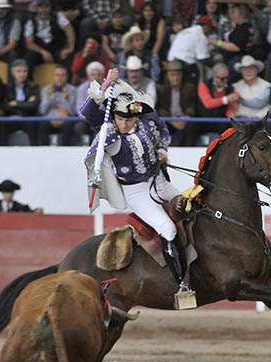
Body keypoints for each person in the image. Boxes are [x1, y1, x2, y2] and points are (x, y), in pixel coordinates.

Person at [80, 67, 193, 298]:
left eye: (129, 119)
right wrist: (104, 86)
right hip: (136, 191)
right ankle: (181, 284)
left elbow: (163, 129)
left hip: (159, 181)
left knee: (192, 208)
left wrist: (162, 150)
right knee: (167, 228)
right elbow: (87, 111)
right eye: (120, 119)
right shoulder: (108, 128)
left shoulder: (147, 118)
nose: (124, 124)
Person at [24, 0, 76, 76]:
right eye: (41, 8)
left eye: (46, 7)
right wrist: (43, 52)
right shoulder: (31, 20)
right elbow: (29, 43)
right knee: (29, 57)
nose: (44, 10)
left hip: (56, 48)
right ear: (37, 9)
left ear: (50, 8)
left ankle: (67, 82)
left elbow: (69, 30)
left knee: (67, 56)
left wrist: (70, 47)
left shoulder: (58, 16)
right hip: (40, 51)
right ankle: (29, 84)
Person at [208, 3, 255, 82]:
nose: (231, 15)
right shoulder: (239, 26)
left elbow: (236, 47)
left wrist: (217, 43)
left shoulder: (243, 29)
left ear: (242, 15)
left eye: (234, 12)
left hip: (235, 60)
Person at [156, 60, 197, 146]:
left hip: (185, 119)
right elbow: (160, 108)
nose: (175, 78)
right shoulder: (161, 90)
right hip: (169, 119)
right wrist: (171, 120)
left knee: (192, 126)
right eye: (172, 75)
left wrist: (187, 116)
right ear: (167, 76)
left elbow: (192, 105)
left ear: (182, 75)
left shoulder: (190, 88)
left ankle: (189, 151)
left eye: (178, 75)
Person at [167, 16, 215, 85]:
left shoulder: (187, 30)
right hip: (183, 65)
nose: (211, 32)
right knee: (196, 75)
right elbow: (203, 59)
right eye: (211, 28)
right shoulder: (200, 35)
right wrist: (216, 65)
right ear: (207, 26)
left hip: (171, 63)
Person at [3, 58, 40, 145]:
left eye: (24, 71)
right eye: (18, 71)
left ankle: (37, 153)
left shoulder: (34, 87)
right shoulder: (7, 87)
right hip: (11, 118)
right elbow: (5, 106)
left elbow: (33, 106)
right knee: (1, 125)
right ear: (13, 73)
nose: (22, 74)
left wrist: (16, 103)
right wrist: (25, 105)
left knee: (34, 124)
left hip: (28, 118)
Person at [38, 64, 77, 145]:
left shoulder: (73, 90)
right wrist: (49, 98)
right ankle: (43, 150)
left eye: (63, 75)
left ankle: (66, 151)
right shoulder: (46, 89)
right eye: (57, 75)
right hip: (49, 118)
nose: (60, 78)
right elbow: (42, 111)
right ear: (53, 77)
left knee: (69, 124)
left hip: (66, 119)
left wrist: (66, 99)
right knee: (42, 123)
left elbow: (73, 112)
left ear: (66, 77)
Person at [197, 62, 239, 135]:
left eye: (227, 78)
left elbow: (230, 108)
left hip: (221, 120)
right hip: (203, 119)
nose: (225, 81)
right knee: (191, 126)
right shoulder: (204, 85)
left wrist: (232, 114)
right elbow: (208, 103)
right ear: (215, 77)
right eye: (222, 79)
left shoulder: (231, 88)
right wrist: (226, 99)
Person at [232, 55, 271, 119]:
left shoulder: (267, 86)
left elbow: (270, 106)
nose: (248, 71)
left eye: (251, 68)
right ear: (241, 71)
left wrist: (258, 117)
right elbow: (233, 106)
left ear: (257, 70)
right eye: (244, 69)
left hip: (260, 122)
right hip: (240, 121)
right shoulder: (235, 86)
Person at [75, 60, 105, 144]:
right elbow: (79, 108)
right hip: (86, 120)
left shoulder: (107, 88)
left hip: (101, 119)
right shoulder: (82, 88)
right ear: (88, 75)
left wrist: (96, 119)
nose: (96, 77)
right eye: (93, 74)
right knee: (79, 127)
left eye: (99, 74)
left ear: (103, 75)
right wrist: (91, 121)